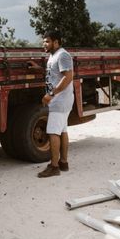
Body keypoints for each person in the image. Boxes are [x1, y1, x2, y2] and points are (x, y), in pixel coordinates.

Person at [28, 31, 74, 178]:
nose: (44, 44)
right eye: (43, 42)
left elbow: (68, 77)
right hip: (60, 100)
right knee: (62, 131)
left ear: (56, 42)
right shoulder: (53, 56)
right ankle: (63, 163)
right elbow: (54, 74)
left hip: (60, 100)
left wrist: (51, 94)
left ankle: (54, 167)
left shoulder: (63, 55)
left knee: (53, 132)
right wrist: (39, 68)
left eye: (47, 41)